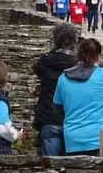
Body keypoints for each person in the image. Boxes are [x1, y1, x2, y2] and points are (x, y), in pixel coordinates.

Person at [53, 39, 103, 156]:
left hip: (73, 138)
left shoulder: (63, 78)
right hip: (100, 138)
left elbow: (58, 107)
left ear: (78, 54)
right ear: (98, 55)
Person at [33, 24, 78, 157]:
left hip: (49, 117)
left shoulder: (44, 61)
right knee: (75, 165)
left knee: (49, 165)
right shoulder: (78, 65)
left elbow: (37, 70)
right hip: (73, 119)